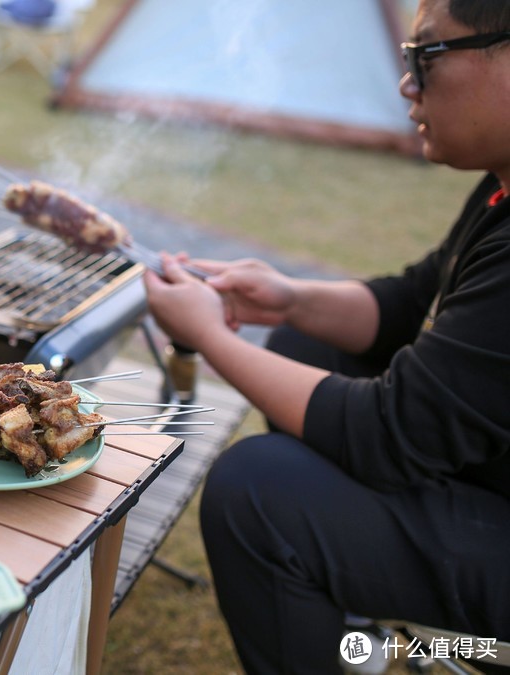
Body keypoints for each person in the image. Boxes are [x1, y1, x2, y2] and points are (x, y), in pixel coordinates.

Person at [141, 0, 510, 671]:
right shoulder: (501, 184)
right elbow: (410, 302)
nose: (406, 83)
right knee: (305, 345)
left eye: (425, 56)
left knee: (256, 493)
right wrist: (287, 300)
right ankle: (353, 617)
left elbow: (389, 434)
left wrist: (214, 340)